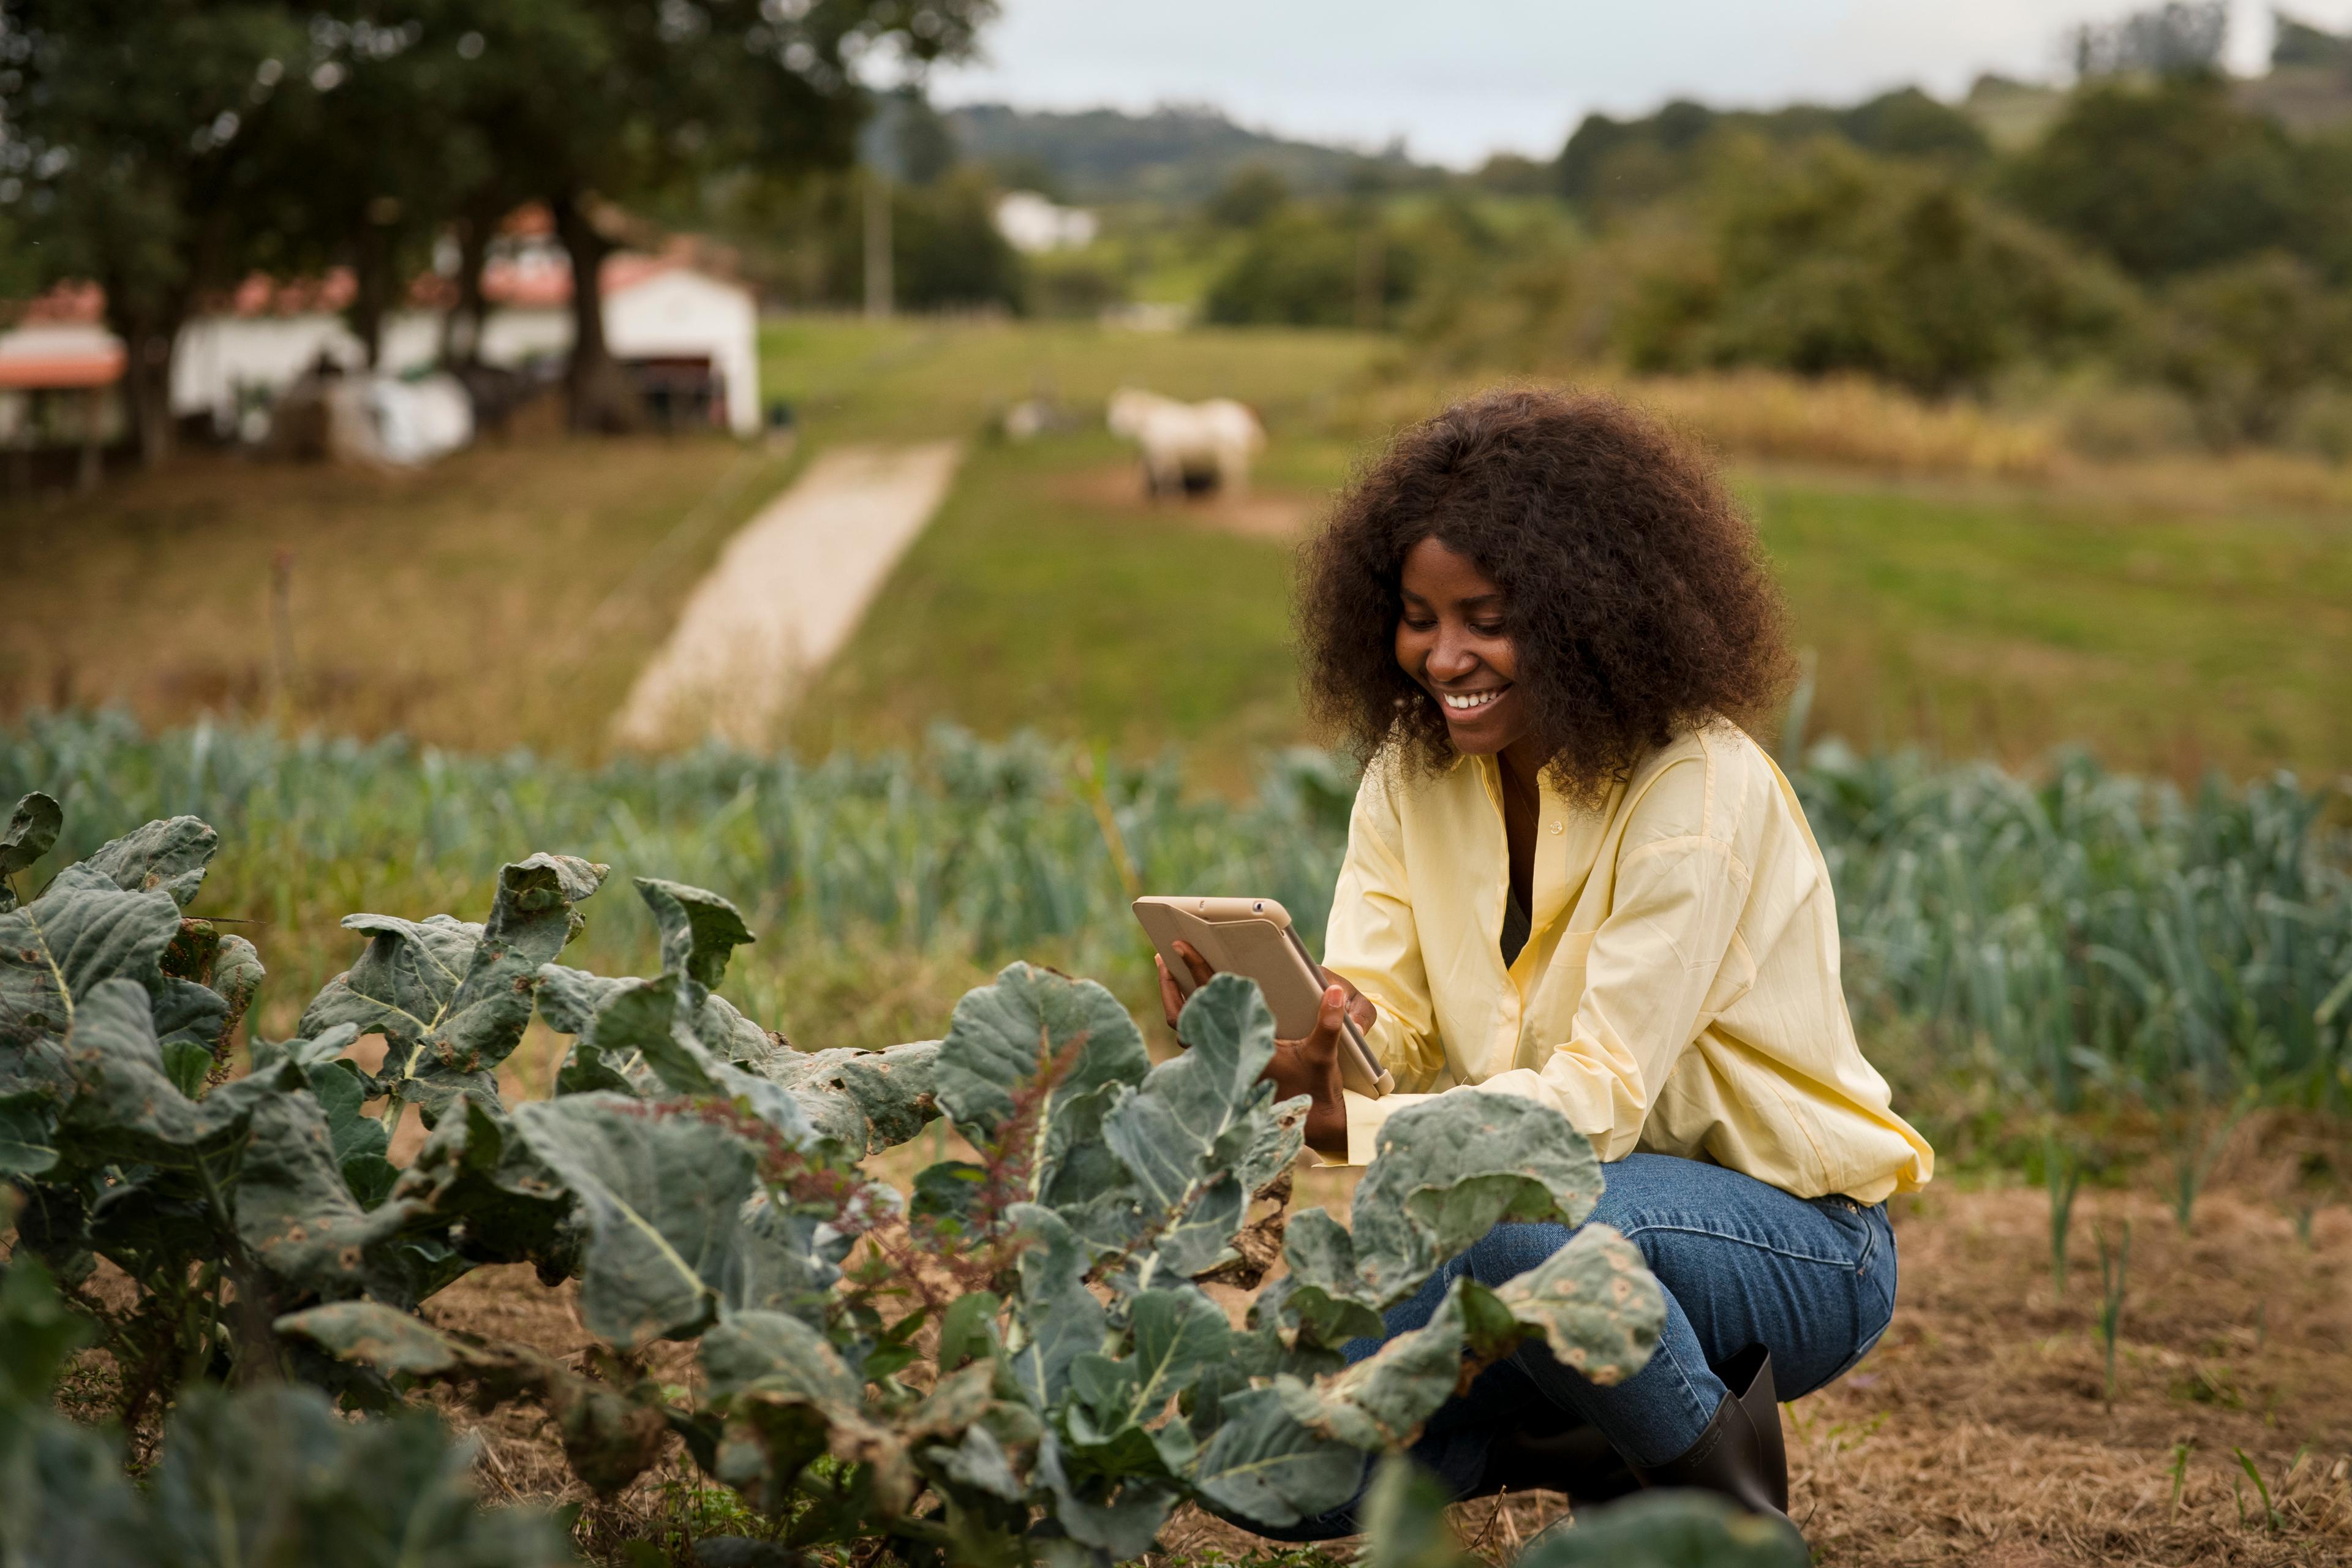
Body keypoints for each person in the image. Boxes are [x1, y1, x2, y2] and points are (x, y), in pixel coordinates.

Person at [1157, 387, 1934, 1539]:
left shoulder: (1694, 785)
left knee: (1522, 1231)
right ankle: (1578, 1426)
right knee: (1271, 1462)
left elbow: (1596, 1105)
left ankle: (1731, 1532)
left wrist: (1358, 1128)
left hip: (1794, 1241)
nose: (1445, 657)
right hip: (1536, 1223)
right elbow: (1395, 1032)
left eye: (1487, 618)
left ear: (1585, 611)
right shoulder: (1409, 776)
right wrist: (1313, 1050)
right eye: (1418, 618)